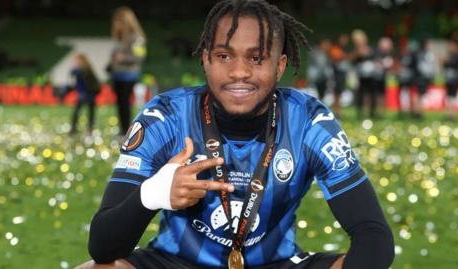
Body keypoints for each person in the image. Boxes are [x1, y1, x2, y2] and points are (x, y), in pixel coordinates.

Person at [78, 1, 394, 268]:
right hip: (175, 262)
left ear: (280, 65)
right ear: (205, 59)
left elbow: (374, 235)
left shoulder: (310, 121)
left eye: (256, 58)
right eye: (224, 56)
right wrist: (154, 194)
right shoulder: (165, 117)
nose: (239, 72)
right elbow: (102, 245)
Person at [109, 6, 147, 135]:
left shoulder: (137, 38)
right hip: (117, 75)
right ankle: (122, 130)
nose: (115, 24)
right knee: (120, 104)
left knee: (125, 103)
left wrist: (123, 57)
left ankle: (127, 131)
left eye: (118, 21)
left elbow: (139, 57)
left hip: (129, 75)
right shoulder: (118, 38)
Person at [69, 53, 100, 136]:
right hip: (84, 93)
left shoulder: (85, 70)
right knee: (81, 111)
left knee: (87, 112)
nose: (76, 62)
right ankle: (77, 128)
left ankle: (88, 128)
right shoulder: (83, 69)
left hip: (88, 93)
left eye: (77, 60)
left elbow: (76, 74)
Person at [351, 29, 378, 118]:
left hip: (371, 75)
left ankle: (372, 112)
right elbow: (353, 60)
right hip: (361, 76)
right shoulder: (355, 51)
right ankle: (360, 112)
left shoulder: (370, 49)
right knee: (360, 94)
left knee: (372, 93)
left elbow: (375, 59)